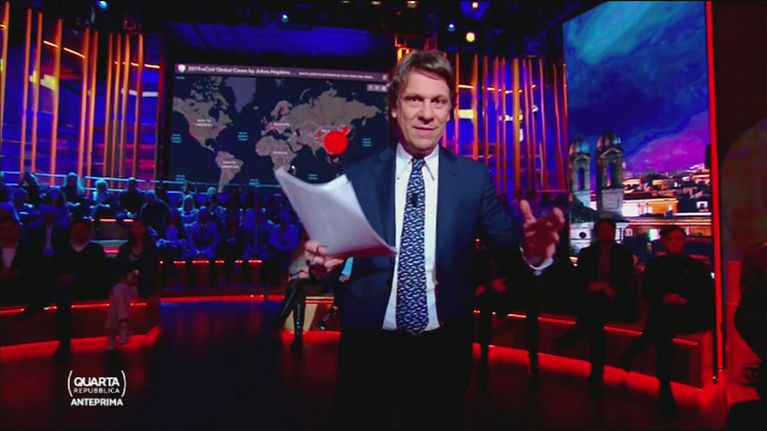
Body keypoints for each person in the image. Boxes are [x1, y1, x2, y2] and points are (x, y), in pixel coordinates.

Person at [302, 50, 564, 430]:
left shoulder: (473, 180)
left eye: (438, 102)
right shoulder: (358, 176)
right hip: (368, 350)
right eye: (415, 99)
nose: (427, 113)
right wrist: (321, 265)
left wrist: (533, 255)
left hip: (442, 352)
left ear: (450, 111)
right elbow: (331, 258)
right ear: (395, 107)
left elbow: (511, 258)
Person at [618, 225, 715, 417]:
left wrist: (685, 301)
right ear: (664, 242)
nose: (675, 243)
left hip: (689, 314)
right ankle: (664, 389)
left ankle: (633, 356)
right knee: (663, 331)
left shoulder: (697, 267)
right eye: (671, 239)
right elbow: (647, 293)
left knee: (658, 331)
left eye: (678, 239)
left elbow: (706, 294)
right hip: (663, 313)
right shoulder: (656, 265)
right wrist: (665, 298)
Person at [554, 218, 636, 385]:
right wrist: (595, 286)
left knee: (593, 317)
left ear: (614, 232)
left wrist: (605, 287)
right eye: (603, 230)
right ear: (597, 233)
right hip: (592, 297)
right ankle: (597, 371)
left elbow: (625, 280)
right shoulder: (587, 253)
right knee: (595, 319)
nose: (606, 233)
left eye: (609, 230)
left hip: (615, 298)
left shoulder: (624, 254)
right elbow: (581, 279)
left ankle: (573, 338)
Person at [105, 218, 159, 349]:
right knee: (119, 289)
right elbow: (118, 268)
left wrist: (136, 277)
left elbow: (151, 271)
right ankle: (123, 325)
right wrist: (124, 278)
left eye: (140, 226)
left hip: (143, 286)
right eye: (134, 227)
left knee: (117, 294)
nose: (137, 230)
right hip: (125, 285)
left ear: (145, 229)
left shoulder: (151, 249)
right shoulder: (125, 248)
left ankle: (112, 333)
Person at [186, 206, 220, 289]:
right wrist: (195, 250)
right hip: (196, 248)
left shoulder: (213, 226)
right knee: (187, 258)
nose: (203, 215)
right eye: (201, 213)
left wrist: (208, 250)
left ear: (207, 214)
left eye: (204, 213)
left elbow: (216, 240)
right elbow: (190, 240)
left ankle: (212, 283)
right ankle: (191, 281)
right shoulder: (193, 226)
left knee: (213, 259)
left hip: (208, 248)